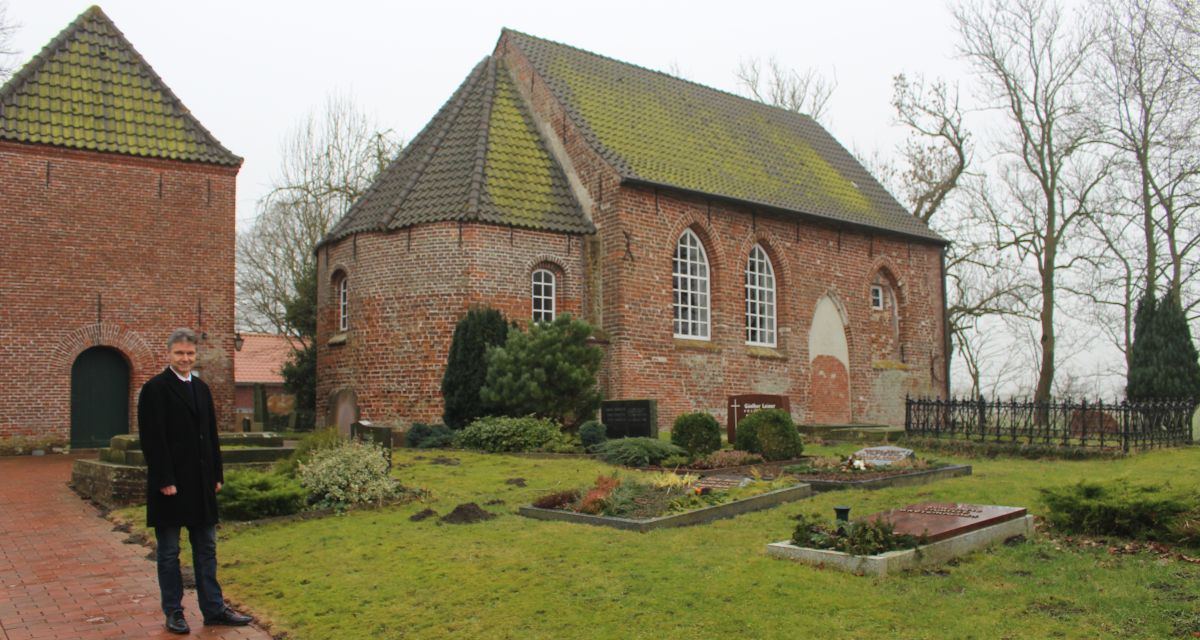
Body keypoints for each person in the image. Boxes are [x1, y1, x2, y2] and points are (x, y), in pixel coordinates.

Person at [138, 328, 253, 634]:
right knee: (169, 552)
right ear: (169, 354)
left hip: (201, 483)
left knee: (206, 548)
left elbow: (210, 435)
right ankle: (174, 611)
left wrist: (216, 474)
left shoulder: (201, 388)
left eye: (190, 353)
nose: (185, 358)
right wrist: (164, 479)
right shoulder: (155, 389)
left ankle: (214, 608)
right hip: (170, 484)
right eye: (179, 353)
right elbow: (152, 438)